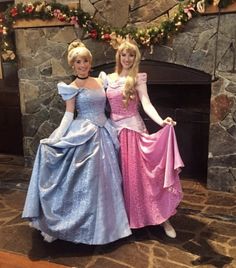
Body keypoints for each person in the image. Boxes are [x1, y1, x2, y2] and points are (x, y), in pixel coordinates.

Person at [22, 40, 131, 245]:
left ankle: (106, 226)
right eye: (78, 62)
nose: (83, 65)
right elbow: (68, 115)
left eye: (86, 61)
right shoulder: (71, 88)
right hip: (84, 133)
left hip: (104, 132)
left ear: (90, 63)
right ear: (73, 65)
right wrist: (55, 138)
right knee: (83, 183)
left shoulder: (101, 81)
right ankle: (71, 225)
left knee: (106, 182)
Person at [99, 39, 184, 238]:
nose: (127, 59)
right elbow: (99, 104)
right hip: (113, 134)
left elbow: (146, 103)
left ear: (135, 57)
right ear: (118, 56)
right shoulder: (107, 79)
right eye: (123, 54)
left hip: (133, 132)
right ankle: (123, 220)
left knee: (144, 177)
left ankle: (163, 218)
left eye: (131, 55)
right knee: (116, 179)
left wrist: (162, 121)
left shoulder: (138, 78)